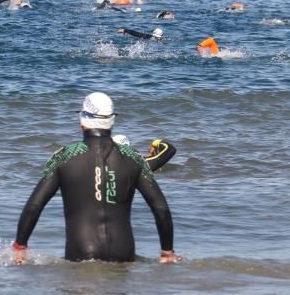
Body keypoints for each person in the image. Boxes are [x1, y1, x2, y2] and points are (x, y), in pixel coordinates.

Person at [11, 93, 179, 264]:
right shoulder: (133, 158)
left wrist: (20, 246)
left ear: (82, 121)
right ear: (112, 121)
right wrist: (167, 251)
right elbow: (160, 208)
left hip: (81, 255)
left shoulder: (64, 157)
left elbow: (34, 205)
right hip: (124, 254)